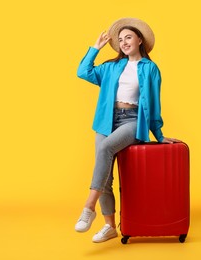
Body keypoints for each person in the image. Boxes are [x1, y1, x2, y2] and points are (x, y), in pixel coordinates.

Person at [75, 17, 180, 243]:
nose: (124, 42)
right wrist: (95, 48)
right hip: (106, 120)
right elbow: (82, 71)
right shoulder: (111, 67)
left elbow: (153, 102)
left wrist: (159, 135)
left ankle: (88, 207)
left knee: (104, 149)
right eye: (120, 39)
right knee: (105, 174)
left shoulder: (150, 68)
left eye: (128, 37)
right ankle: (109, 227)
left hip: (133, 121)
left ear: (140, 40)